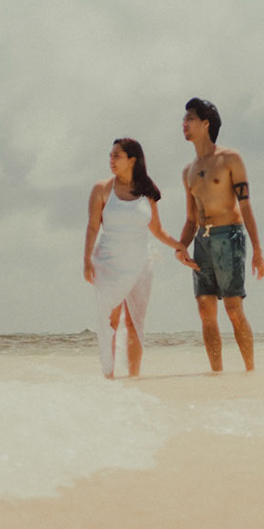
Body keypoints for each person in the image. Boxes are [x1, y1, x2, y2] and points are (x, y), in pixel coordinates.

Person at [84, 138, 190, 378]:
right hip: (109, 261)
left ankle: (135, 379)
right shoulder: (102, 189)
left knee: (134, 323)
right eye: (110, 156)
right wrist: (86, 260)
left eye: (116, 156)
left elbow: (158, 230)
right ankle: (108, 377)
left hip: (140, 262)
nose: (111, 160)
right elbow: (92, 227)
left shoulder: (146, 193)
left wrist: (180, 246)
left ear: (132, 160)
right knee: (110, 320)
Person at [174, 97, 264, 372]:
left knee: (233, 310)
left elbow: (246, 205)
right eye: (184, 119)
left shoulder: (230, 159)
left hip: (230, 236)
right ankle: (217, 375)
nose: (184, 124)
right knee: (205, 311)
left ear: (205, 124)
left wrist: (258, 251)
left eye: (189, 119)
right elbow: (191, 218)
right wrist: (181, 247)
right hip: (202, 240)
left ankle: (250, 371)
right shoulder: (187, 171)